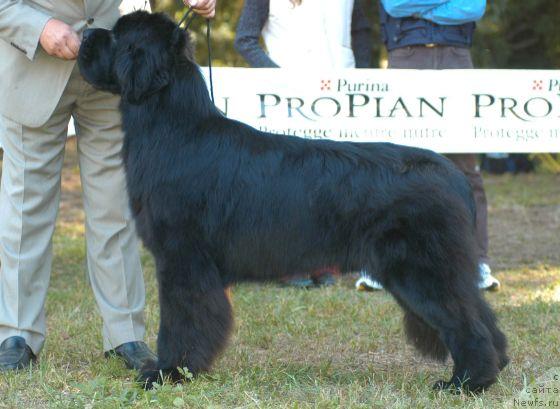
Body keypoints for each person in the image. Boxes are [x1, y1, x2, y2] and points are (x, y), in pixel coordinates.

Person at [0, 0, 216, 372]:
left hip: (116, 66)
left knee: (115, 206)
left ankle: (125, 335)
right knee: (25, 208)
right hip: (31, 62)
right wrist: (38, 26)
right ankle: (17, 333)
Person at [355, 0, 500, 292]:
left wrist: (421, 8)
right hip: (406, 58)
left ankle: (477, 263)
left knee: (466, 167)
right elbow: (396, 6)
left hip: (456, 58)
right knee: (398, 168)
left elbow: (472, 8)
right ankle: (383, 264)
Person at [234, 0, 371, 287]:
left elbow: (360, 30)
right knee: (290, 184)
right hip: (288, 98)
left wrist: (362, 76)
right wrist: (278, 77)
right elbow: (245, 39)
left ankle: (325, 260)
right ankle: (289, 263)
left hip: (338, 94)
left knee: (332, 179)